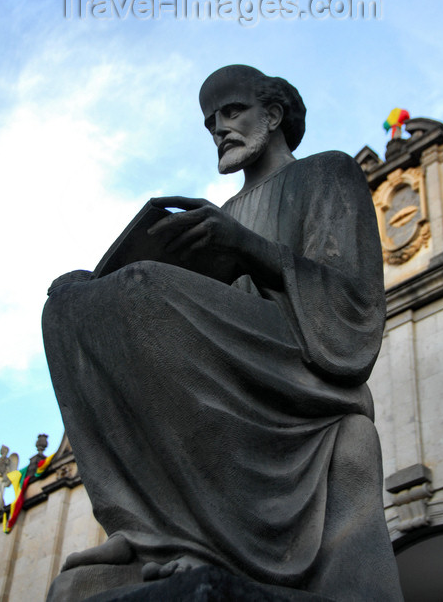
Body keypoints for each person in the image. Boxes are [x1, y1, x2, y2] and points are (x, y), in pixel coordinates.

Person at [43, 65, 403, 600]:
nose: (219, 128)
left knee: (143, 289)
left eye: (232, 111)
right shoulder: (225, 211)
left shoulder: (329, 173)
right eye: (211, 120)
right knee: (68, 307)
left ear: (274, 115)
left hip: (297, 354)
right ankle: (144, 525)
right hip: (231, 348)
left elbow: (354, 300)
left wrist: (246, 247)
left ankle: (189, 535)